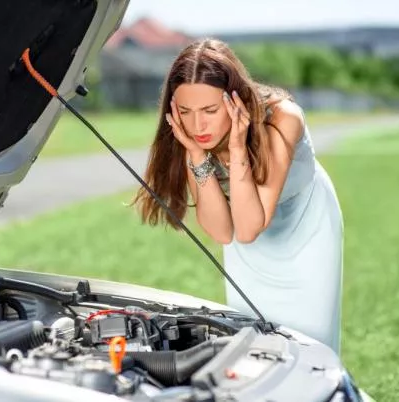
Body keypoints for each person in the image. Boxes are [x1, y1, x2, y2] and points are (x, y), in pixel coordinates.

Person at [132, 38, 344, 354]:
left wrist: (235, 148)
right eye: (186, 111)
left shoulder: (282, 118)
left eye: (210, 110)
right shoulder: (193, 137)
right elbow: (224, 231)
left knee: (310, 343)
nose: (197, 124)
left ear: (235, 100)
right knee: (252, 342)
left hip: (306, 229)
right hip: (249, 234)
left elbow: (248, 228)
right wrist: (197, 155)